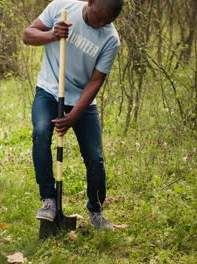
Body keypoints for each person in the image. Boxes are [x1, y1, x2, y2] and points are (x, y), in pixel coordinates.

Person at [22, 0, 123, 230]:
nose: (99, 24)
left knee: (95, 157)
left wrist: (74, 115)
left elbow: (96, 81)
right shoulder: (62, 7)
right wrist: (52, 35)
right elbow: (27, 35)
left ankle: (96, 211)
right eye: (96, 17)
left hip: (82, 100)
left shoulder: (111, 39)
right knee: (40, 133)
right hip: (49, 89)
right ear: (90, 2)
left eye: (106, 22)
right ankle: (49, 200)